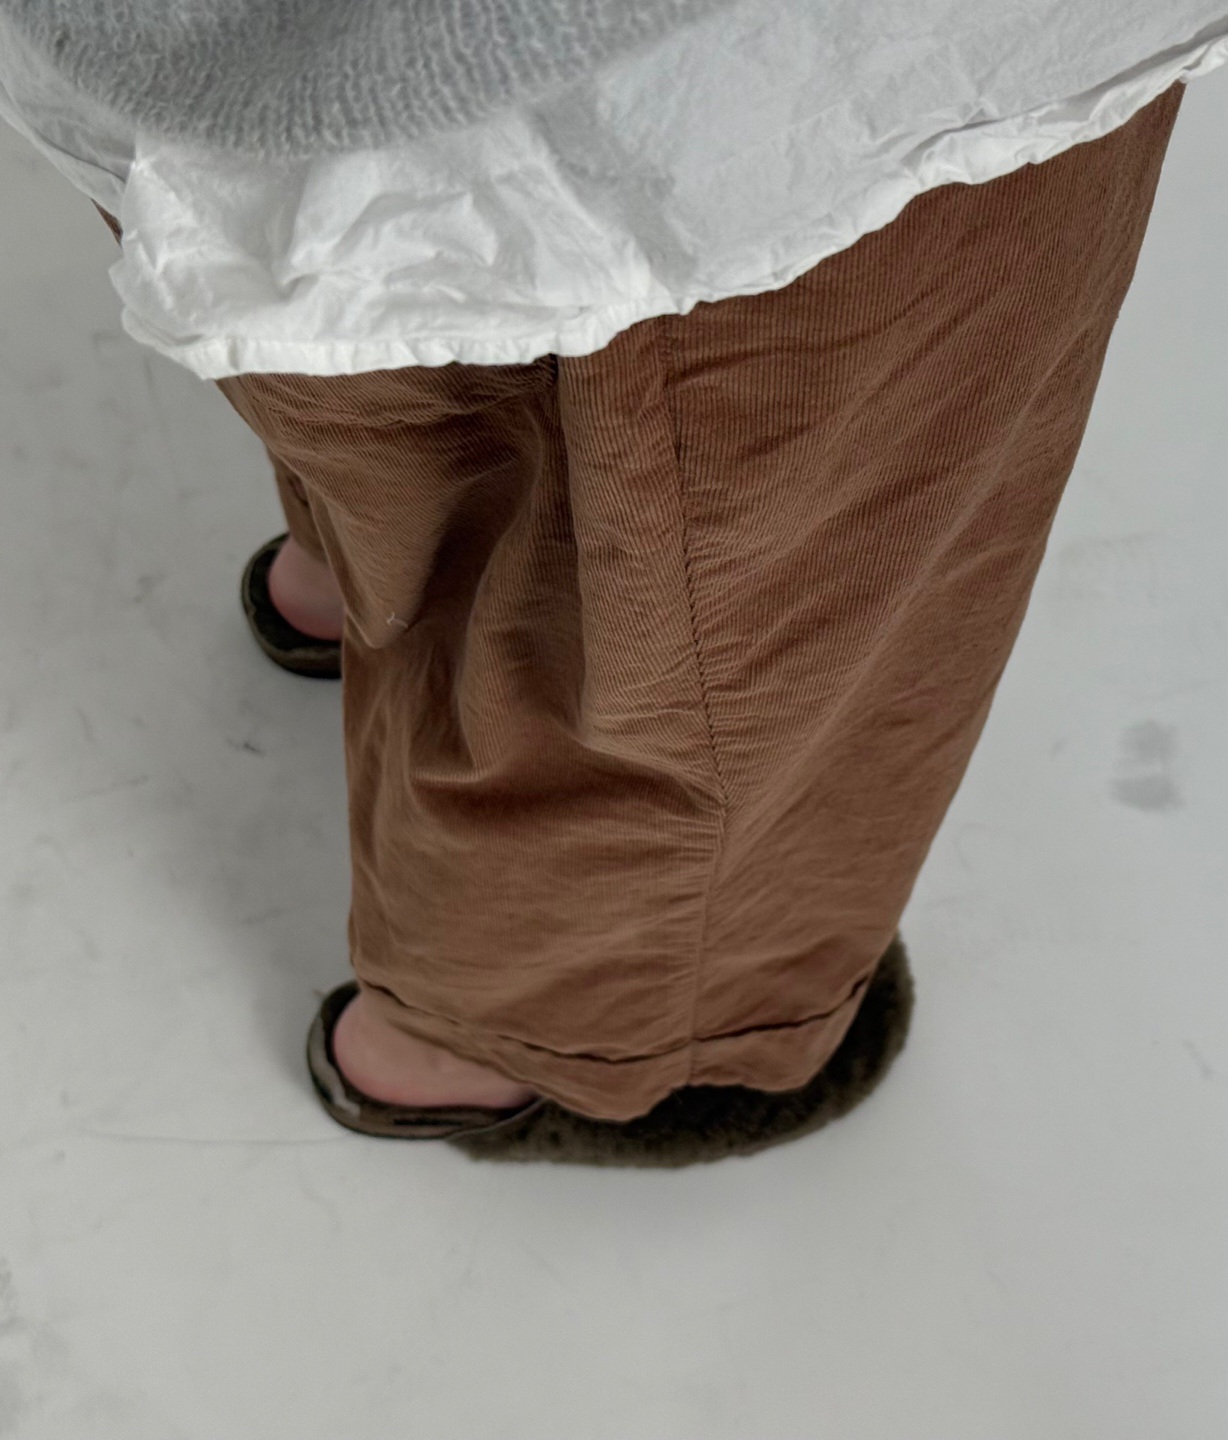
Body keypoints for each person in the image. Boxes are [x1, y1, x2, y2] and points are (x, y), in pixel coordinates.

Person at [0, 1, 1222, 1165]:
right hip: (752, 105)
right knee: (738, 600)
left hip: (208, 55)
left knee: (377, 348)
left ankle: (346, 580)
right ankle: (556, 1030)